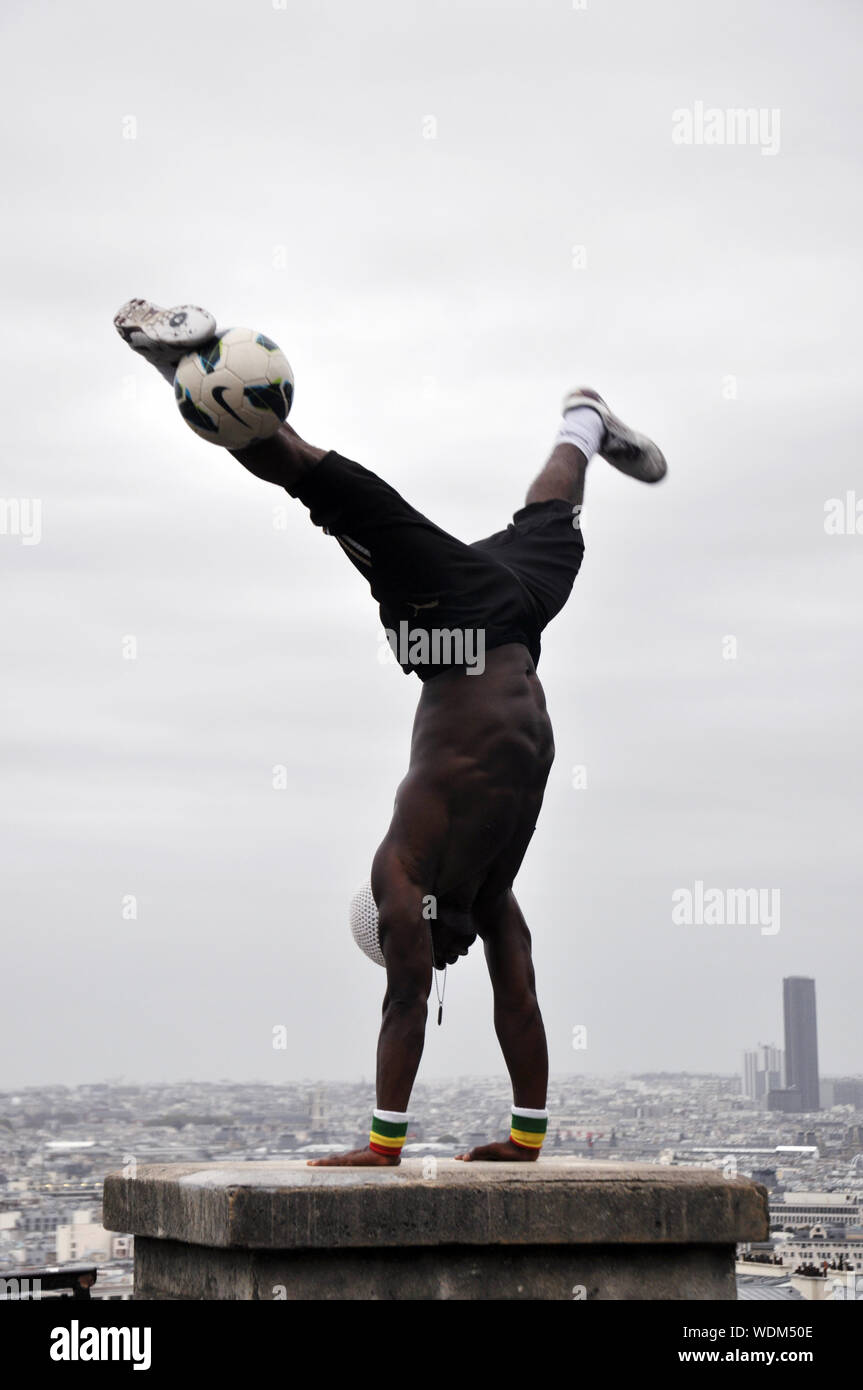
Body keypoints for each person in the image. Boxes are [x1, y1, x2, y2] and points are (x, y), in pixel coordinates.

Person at [115, 297, 667, 1166]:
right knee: (552, 521)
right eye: (442, 952)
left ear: (395, 924)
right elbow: (518, 995)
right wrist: (526, 1138)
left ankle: (179, 370)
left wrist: (383, 1146)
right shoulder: (486, 896)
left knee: (324, 487)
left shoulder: (400, 876)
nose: (441, 956)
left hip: (442, 625)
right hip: (511, 624)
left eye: (422, 946)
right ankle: (584, 421)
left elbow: (404, 1000)